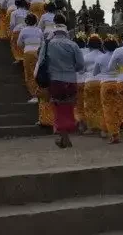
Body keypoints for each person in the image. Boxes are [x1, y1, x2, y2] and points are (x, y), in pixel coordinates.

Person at [36, 19, 84, 148]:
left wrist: (39, 79)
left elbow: (40, 62)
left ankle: (64, 137)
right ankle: (68, 133)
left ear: (54, 32)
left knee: (58, 108)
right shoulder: (73, 45)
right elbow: (81, 65)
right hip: (71, 81)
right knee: (68, 108)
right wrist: (71, 69)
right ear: (66, 33)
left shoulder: (48, 44)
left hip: (55, 81)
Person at [96, 35, 121, 143]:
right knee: (118, 108)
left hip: (106, 84)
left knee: (107, 109)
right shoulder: (119, 56)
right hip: (118, 83)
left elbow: (95, 72)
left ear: (104, 47)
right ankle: (118, 129)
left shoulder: (100, 57)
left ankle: (112, 132)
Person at [17, 14, 44, 107]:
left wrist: (26, 46)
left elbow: (19, 43)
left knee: (29, 74)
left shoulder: (23, 30)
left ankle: (34, 95)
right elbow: (42, 42)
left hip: (28, 52)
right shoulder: (39, 30)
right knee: (38, 73)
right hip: (38, 53)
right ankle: (41, 94)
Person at [82, 34, 106, 135]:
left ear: (89, 45)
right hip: (102, 81)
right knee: (102, 105)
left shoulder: (85, 57)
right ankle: (103, 129)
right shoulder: (103, 56)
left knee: (89, 105)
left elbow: (82, 70)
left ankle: (91, 128)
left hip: (89, 82)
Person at [73, 31, 87, 129]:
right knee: (88, 103)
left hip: (77, 81)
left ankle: (81, 123)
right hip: (87, 80)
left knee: (78, 104)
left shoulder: (74, 52)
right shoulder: (89, 51)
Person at [9, 0, 30, 64]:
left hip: (17, 30)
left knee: (15, 44)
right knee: (25, 44)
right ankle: (25, 57)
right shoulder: (28, 12)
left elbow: (12, 24)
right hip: (27, 30)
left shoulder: (14, 13)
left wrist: (11, 31)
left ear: (16, 4)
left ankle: (18, 58)